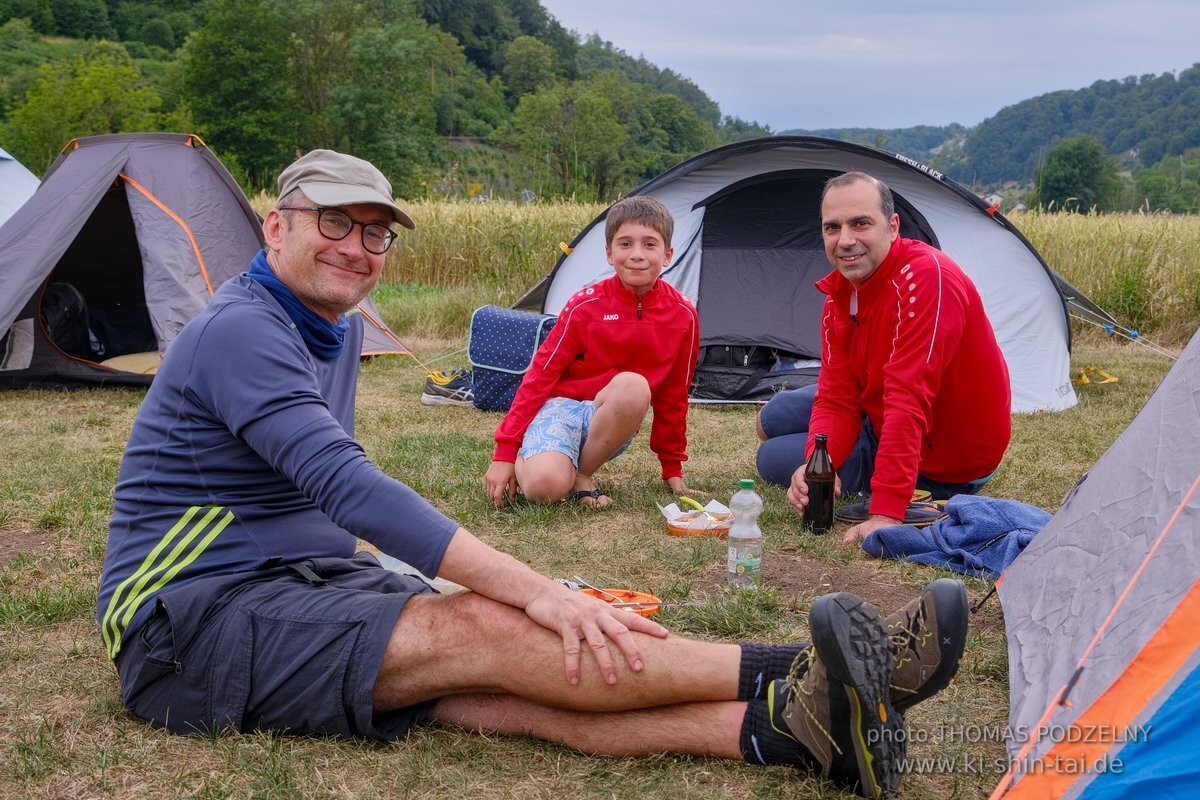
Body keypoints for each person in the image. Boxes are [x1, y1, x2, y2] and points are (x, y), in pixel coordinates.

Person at [96, 151, 968, 799]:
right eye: (335, 222)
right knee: (489, 625)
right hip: (188, 621)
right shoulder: (243, 329)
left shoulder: (330, 328)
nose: (358, 248)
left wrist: (420, 573)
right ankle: (814, 665)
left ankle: (794, 731)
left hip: (298, 581)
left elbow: (310, 504)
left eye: (375, 233)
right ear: (274, 226)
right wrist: (532, 588)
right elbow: (344, 484)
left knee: (497, 683)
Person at [756, 172, 1011, 543]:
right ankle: (835, 455)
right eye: (832, 227)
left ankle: (884, 472)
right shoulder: (840, 294)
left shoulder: (927, 277)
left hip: (944, 457)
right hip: (875, 410)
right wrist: (817, 465)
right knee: (773, 417)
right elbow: (836, 397)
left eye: (861, 223)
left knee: (772, 458)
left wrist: (886, 511)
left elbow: (908, 398)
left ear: (893, 227)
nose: (845, 241)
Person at [483, 195, 700, 510]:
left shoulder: (684, 315)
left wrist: (672, 467)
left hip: (611, 420)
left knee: (634, 385)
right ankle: (530, 456)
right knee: (544, 491)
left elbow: (674, 394)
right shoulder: (584, 306)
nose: (637, 255)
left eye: (649, 245)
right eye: (625, 244)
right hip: (560, 409)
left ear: (667, 255)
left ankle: (583, 473)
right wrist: (504, 451)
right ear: (609, 254)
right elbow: (541, 375)